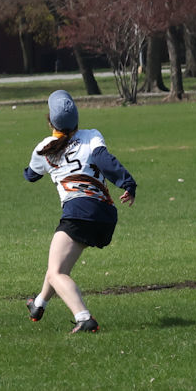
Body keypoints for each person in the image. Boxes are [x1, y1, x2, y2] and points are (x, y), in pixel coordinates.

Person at [23, 90, 136, 334]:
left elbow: (31, 176)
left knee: (56, 273)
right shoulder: (91, 136)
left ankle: (83, 318)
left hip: (78, 214)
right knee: (57, 265)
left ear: (50, 121)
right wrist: (127, 183)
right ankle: (38, 305)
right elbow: (105, 160)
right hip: (105, 215)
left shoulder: (44, 148)